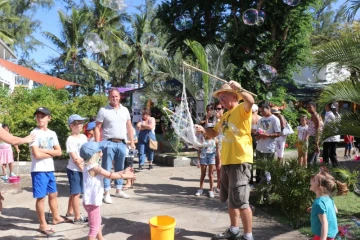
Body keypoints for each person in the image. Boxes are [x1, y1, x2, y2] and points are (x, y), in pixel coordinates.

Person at [195, 80, 255, 240]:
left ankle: (248, 236)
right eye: (219, 98)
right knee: (231, 199)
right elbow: (214, 133)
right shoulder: (226, 115)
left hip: (240, 160)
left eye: (223, 97)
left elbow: (250, 101)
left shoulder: (242, 109)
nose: (220, 101)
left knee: (242, 201)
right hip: (228, 161)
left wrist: (240, 88)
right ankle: (234, 230)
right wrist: (202, 130)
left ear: (234, 95)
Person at [80, 141, 136, 240]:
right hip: (92, 202)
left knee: (97, 222)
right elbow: (110, 176)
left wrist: (124, 171)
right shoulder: (94, 167)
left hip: (90, 201)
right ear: (94, 154)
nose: (102, 153)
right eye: (100, 151)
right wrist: (127, 176)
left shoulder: (89, 165)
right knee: (94, 227)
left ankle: (101, 238)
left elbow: (109, 173)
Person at [95, 89, 135, 204]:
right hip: (108, 143)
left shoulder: (125, 110)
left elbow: (129, 127)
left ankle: (118, 190)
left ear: (119, 97)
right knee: (107, 168)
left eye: (116, 96)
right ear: (109, 97)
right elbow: (97, 128)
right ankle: (106, 192)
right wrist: (98, 145)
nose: (115, 98)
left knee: (120, 168)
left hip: (122, 143)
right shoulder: (103, 110)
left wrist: (131, 141)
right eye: (112, 96)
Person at [30, 107, 65, 236]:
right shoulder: (34, 133)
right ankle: (42, 224)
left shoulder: (52, 133)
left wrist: (43, 151)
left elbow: (59, 152)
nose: (39, 118)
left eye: (42, 116)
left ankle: (56, 217)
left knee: (53, 194)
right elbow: (36, 155)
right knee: (41, 198)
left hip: (49, 169)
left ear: (49, 118)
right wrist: (52, 153)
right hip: (38, 170)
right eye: (38, 116)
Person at [309, 171, 348, 240]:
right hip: (331, 233)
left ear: (320, 187)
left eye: (314, 180)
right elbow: (335, 211)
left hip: (323, 236)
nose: (311, 180)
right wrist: (314, 209)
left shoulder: (318, 203)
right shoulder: (328, 197)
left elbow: (324, 223)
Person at [65, 114, 88, 224]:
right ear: (71, 126)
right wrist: (83, 169)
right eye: (77, 123)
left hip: (83, 167)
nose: (80, 125)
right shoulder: (70, 140)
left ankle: (70, 212)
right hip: (75, 170)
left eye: (81, 123)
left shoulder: (84, 137)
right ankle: (77, 217)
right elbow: (75, 159)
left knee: (75, 192)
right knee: (76, 193)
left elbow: (87, 152)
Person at [255, 103, 281, 183]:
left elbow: (278, 133)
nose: (262, 113)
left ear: (269, 108)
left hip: (269, 148)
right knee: (261, 168)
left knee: (269, 169)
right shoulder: (260, 120)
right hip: (259, 148)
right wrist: (258, 136)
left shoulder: (274, 119)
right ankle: (263, 186)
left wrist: (267, 135)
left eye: (263, 111)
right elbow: (257, 133)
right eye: (260, 111)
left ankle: (269, 187)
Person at [195, 133, 218, 198]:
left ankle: (211, 190)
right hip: (203, 156)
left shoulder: (215, 139)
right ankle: (200, 189)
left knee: (210, 174)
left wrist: (218, 161)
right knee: (203, 173)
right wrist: (198, 160)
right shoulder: (202, 139)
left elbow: (218, 150)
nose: (208, 133)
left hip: (212, 157)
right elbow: (199, 150)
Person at [322, 102, 340, 168]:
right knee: (332, 155)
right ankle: (338, 172)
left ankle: (325, 173)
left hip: (329, 138)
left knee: (326, 156)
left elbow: (326, 127)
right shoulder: (337, 114)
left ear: (329, 106)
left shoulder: (329, 114)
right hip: (334, 138)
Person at [307, 102, 322, 166]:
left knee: (310, 159)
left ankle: (310, 174)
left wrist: (316, 144)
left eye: (310, 107)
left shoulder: (315, 116)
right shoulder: (314, 115)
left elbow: (318, 130)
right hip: (312, 138)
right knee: (314, 159)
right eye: (307, 107)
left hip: (314, 139)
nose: (308, 109)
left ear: (315, 108)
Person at [123, 125, 138, 190]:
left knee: (128, 167)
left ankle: (128, 182)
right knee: (123, 167)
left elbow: (136, 140)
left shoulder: (131, 129)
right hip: (121, 151)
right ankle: (131, 178)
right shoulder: (118, 127)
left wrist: (126, 142)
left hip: (128, 151)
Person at [250, 104, 261, 185]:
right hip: (259, 138)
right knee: (259, 158)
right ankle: (258, 178)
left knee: (250, 159)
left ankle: (250, 179)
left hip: (250, 137)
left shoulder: (249, 117)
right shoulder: (261, 118)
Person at [214, 102, 224, 192]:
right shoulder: (216, 120)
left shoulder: (225, 119)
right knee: (218, 167)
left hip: (225, 145)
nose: (217, 111)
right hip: (218, 145)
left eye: (219, 109)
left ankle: (222, 186)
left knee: (222, 167)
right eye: (216, 109)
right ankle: (219, 185)